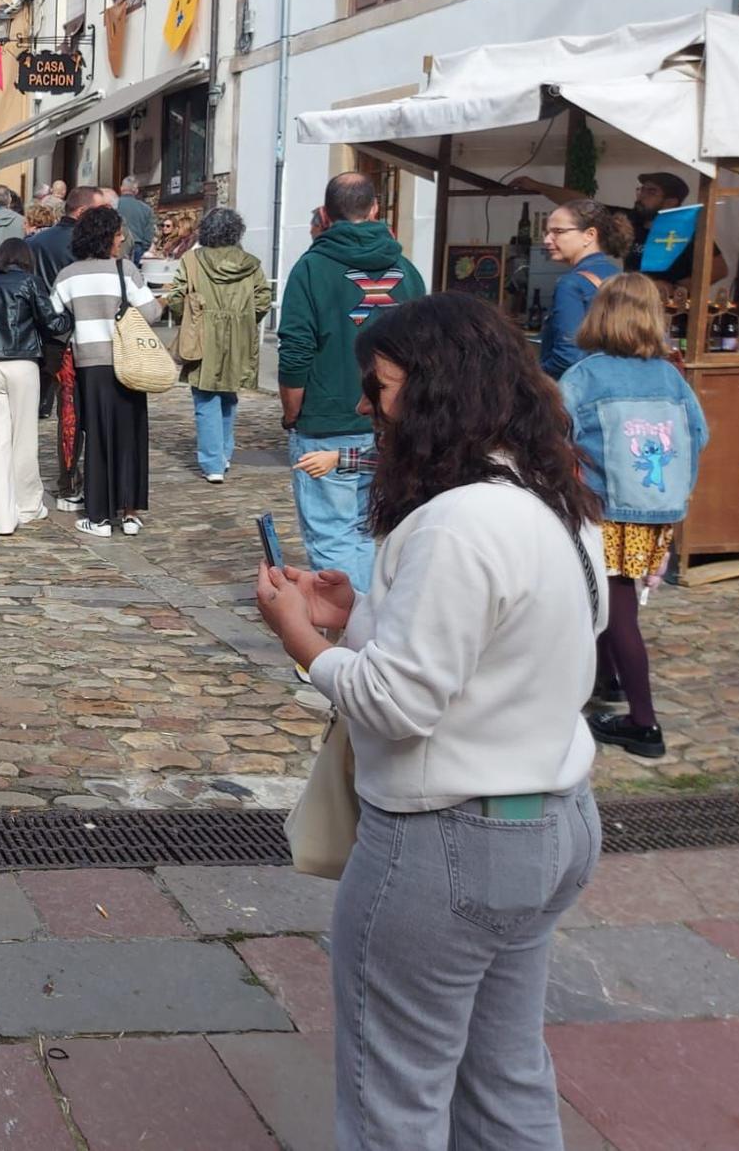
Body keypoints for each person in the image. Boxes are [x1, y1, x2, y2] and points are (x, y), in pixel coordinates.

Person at [253, 293, 605, 1151]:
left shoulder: (458, 522)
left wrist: (305, 643)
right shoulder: (552, 499)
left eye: (380, 389)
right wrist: (362, 613)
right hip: (552, 821)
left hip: (449, 843)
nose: (371, 412)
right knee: (507, 1077)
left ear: (437, 390)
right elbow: (511, 651)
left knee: (394, 1098)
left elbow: (399, 703)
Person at [560, 274, 708, 760]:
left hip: (604, 505)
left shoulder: (584, 375)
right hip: (656, 508)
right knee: (612, 592)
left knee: (617, 606)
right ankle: (609, 680)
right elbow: (699, 435)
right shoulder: (669, 375)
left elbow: (555, 436)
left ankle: (644, 725)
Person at [277, 172, 425, 587]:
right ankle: (371, 616)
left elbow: (296, 349)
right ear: (375, 209)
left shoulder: (311, 269)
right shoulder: (407, 269)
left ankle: (356, 626)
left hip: (328, 419)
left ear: (325, 215)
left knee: (332, 534)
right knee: (366, 532)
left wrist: (293, 412)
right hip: (393, 420)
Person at [50, 206, 162, 536]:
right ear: (107, 237)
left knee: (96, 437)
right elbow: (151, 313)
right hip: (127, 362)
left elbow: (56, 323)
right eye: (117, 233)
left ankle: (98, 515)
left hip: (89, 365)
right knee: (131, 436)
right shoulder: (125, 270)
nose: (122, 238)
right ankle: (129, 512)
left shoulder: (68, 276)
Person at [0, 237, 71, 532]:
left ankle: (1, 517)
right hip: (23, 362)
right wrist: (72, 316)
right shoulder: (30, 283)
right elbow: (52, 324)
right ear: (25, 258)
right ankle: (26, 505)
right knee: (24, 437)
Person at [163, 208, 273, 483]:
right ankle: (223, 454)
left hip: (203, 333)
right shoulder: (251, 263)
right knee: (228, 394)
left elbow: (176, 298)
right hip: (239, 334)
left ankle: (212, 461)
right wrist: (246, 319)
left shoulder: (192, 261)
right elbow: (262, 299)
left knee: (205, 397)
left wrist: (188, 316)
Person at [31, 186, 102, 495]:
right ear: (83, 212)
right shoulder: (86, 245)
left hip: (46, 334)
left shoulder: (37, 242)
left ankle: (64, 477)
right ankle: (77, 479)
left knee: (58, 411)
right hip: (81, 333)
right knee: (78, 411)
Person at [512, 169, 695, 285]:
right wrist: (536, 186)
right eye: (641, 189)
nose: (641, 195)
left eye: (651, 192)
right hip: (633, 307)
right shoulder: (629, 220)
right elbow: (582, 204)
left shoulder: (688, 231)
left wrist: (674, 287)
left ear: (671, 201)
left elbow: (719, 270)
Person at [538, 198, 628, 378]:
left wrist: (533, 377)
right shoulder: (622, 278)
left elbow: (567, 356)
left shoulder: (571, 284)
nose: (547, 240)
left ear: (589, 235)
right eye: (547, 233)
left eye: (558, 232)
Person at [115, 177, 156, 259]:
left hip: (118, 245)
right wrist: (144, 247)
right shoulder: (146, 209)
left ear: (121, 188)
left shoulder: (113, 205)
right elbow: (149, 233)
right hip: (137, 246)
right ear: (136, 191)